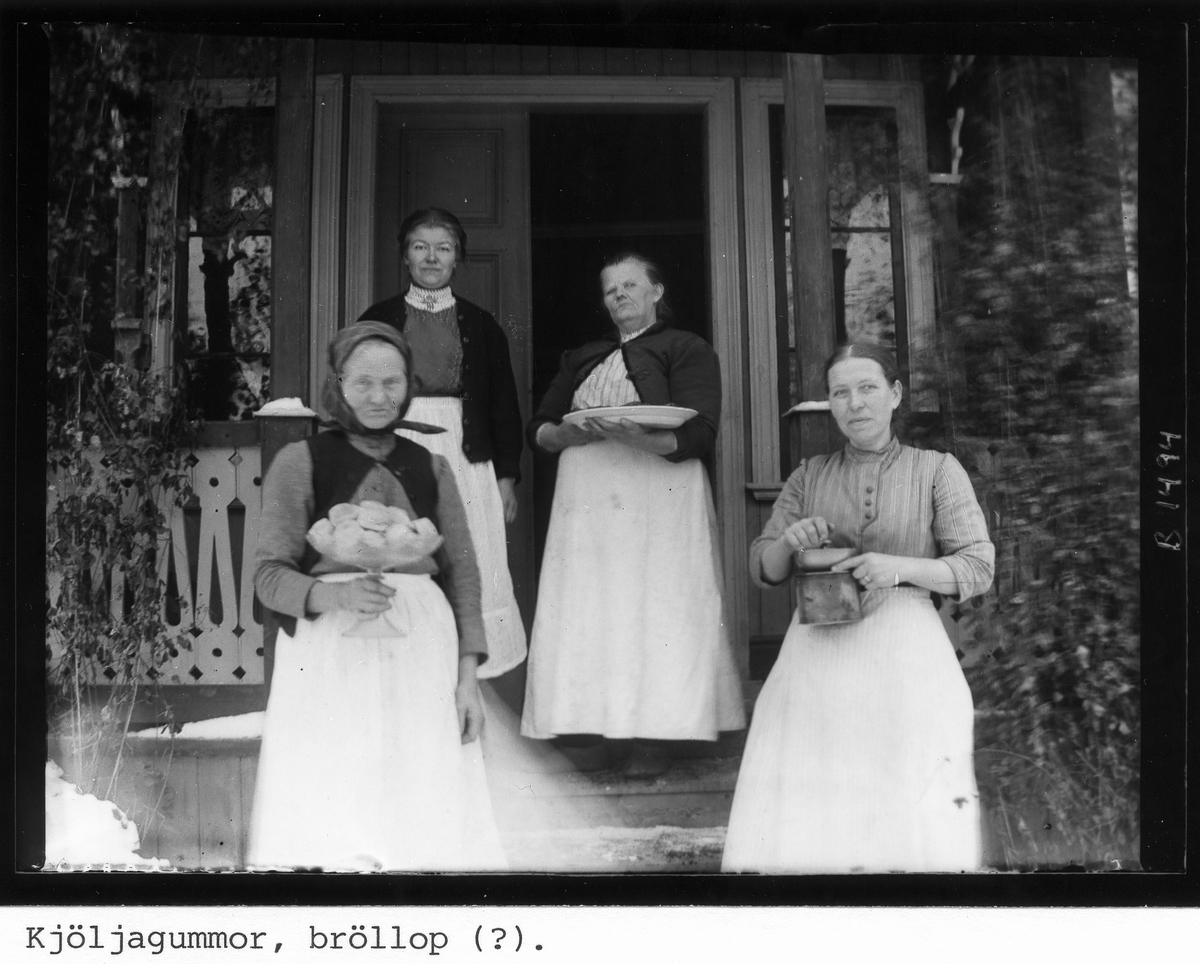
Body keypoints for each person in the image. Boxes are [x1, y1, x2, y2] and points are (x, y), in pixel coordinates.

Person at [722, 343, 995, 873]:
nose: (855, 403)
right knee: (818, 785)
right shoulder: (810, 475)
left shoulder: (937, 470)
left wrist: (899, 568)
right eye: (840, 392)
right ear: (830, 403)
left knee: (908, 776)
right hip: (816, 652)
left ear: (895, 394)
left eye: (868, 388)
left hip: (906, 646)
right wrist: (789, 542)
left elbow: (977, 567)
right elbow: (764, 567)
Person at [247, 322, 506, 871]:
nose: (378, 396)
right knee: (337, 798)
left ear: (409, 386)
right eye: (362, 382)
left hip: (422, 648)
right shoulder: (300, 461)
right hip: (329, 652)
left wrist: (467, 680)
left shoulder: (432, 465)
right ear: (337, 384)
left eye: (392, 382)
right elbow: (268, 576)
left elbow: (462, 576)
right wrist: (335, 597)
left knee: (422, 792)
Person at [520, 252, 745, 777]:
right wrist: (564, 432)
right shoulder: (582, 357)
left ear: (656, 292)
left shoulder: (686, 348)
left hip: (659, 493)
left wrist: (638, 438)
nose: (619, 295)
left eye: (630, 285)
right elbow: (540, 429)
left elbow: (700, 432)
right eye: (610, 289)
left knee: (660, 608)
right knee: (592, 608)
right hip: (589, 500)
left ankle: (656, 736)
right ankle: (593, 729)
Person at [357, 208, 526, 681]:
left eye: (443, 248)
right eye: (420, 247)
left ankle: (466, 679)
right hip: (394, 446)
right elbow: (355, 391)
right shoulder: (377, 320)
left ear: (457, 259)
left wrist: (506, 477)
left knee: (469, 553)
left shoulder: (482, 325)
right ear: (405, 257)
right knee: (399, 547)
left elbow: (503, 405)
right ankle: (407, 675)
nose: (431, 258)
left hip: (465, 450)